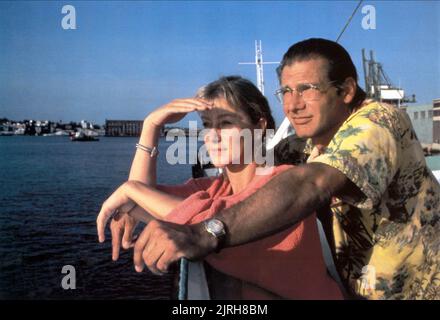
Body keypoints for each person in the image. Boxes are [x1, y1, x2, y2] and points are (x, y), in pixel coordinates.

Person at [127, 39, 440, 300]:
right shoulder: (296, 147)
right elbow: (252, 177)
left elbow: (310, 184)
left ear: (345, 90)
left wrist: (204, 233)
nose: (293, 105)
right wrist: (150, 129)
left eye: (306, 89)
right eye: (286, 92)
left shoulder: (379, 121)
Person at [96, 76, 343, 299]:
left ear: (259, 127)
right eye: (206, 124)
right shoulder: (215, 188)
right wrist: (151, 127)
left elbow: (210, 222)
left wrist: (130, 190)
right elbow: (144, 197)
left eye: (225, 123)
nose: (211, 135)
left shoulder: (282, 183)